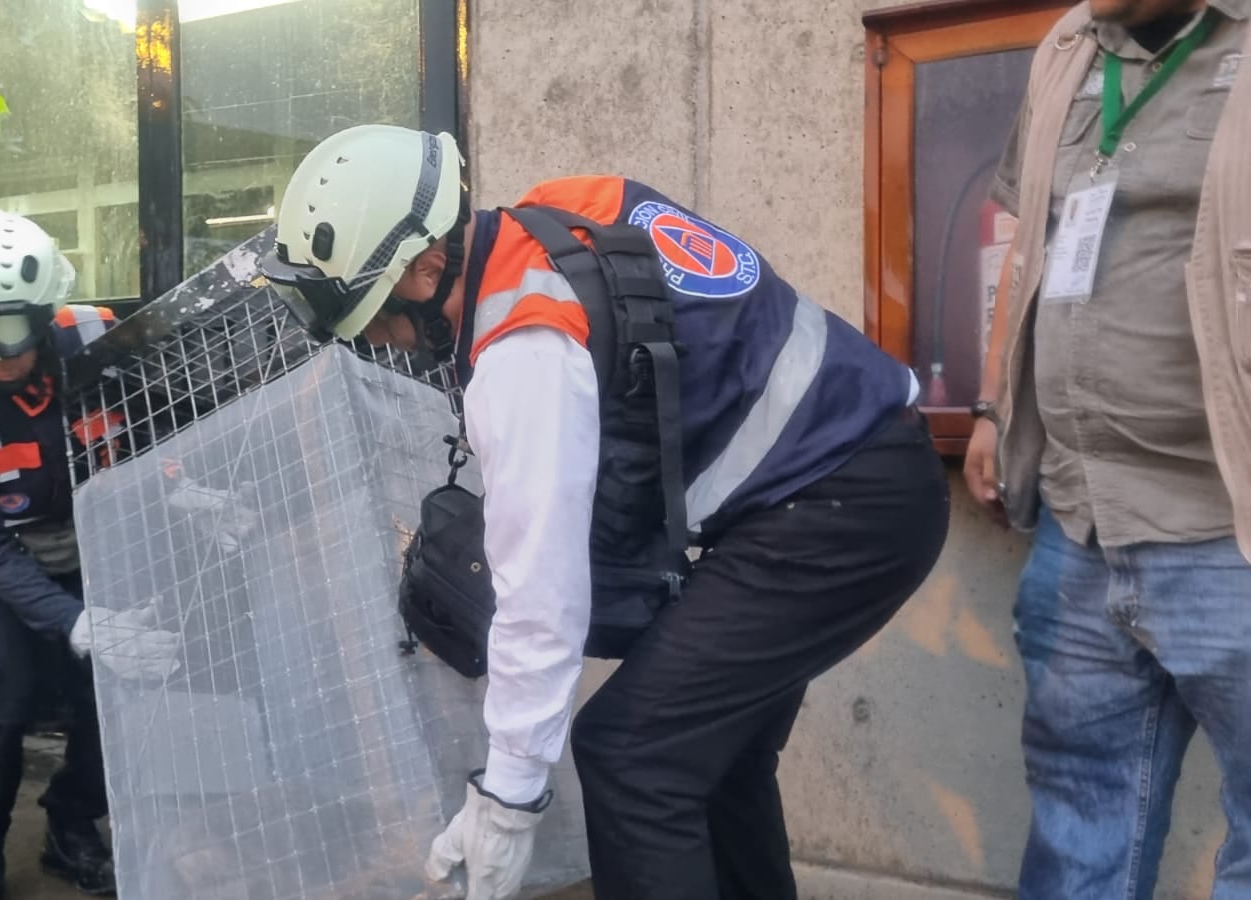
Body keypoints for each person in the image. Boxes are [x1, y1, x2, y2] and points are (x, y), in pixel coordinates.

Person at [257, 123, 952, 900]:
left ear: (424, 270)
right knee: (712, 759)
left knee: (634, 758)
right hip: (856, 477)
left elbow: (541, 599)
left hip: (838, 506)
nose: (382, 343)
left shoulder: (523, 348)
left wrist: (508, 801)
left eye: (375, 320)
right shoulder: (559, 213)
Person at [964, 0, 1251, 897]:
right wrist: (989, 408)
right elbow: (1028, 246)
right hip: (1080, 525)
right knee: (1077, 828)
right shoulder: (1070, 47)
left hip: (1228, 529)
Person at [0, 206, 181, 900]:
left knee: (128, 677)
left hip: (97, 532)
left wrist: (188, 488)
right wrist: (77, 623)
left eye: (7, 330)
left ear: (46, 309)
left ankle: (73, 824)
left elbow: (166, 421)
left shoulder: (102, 340)